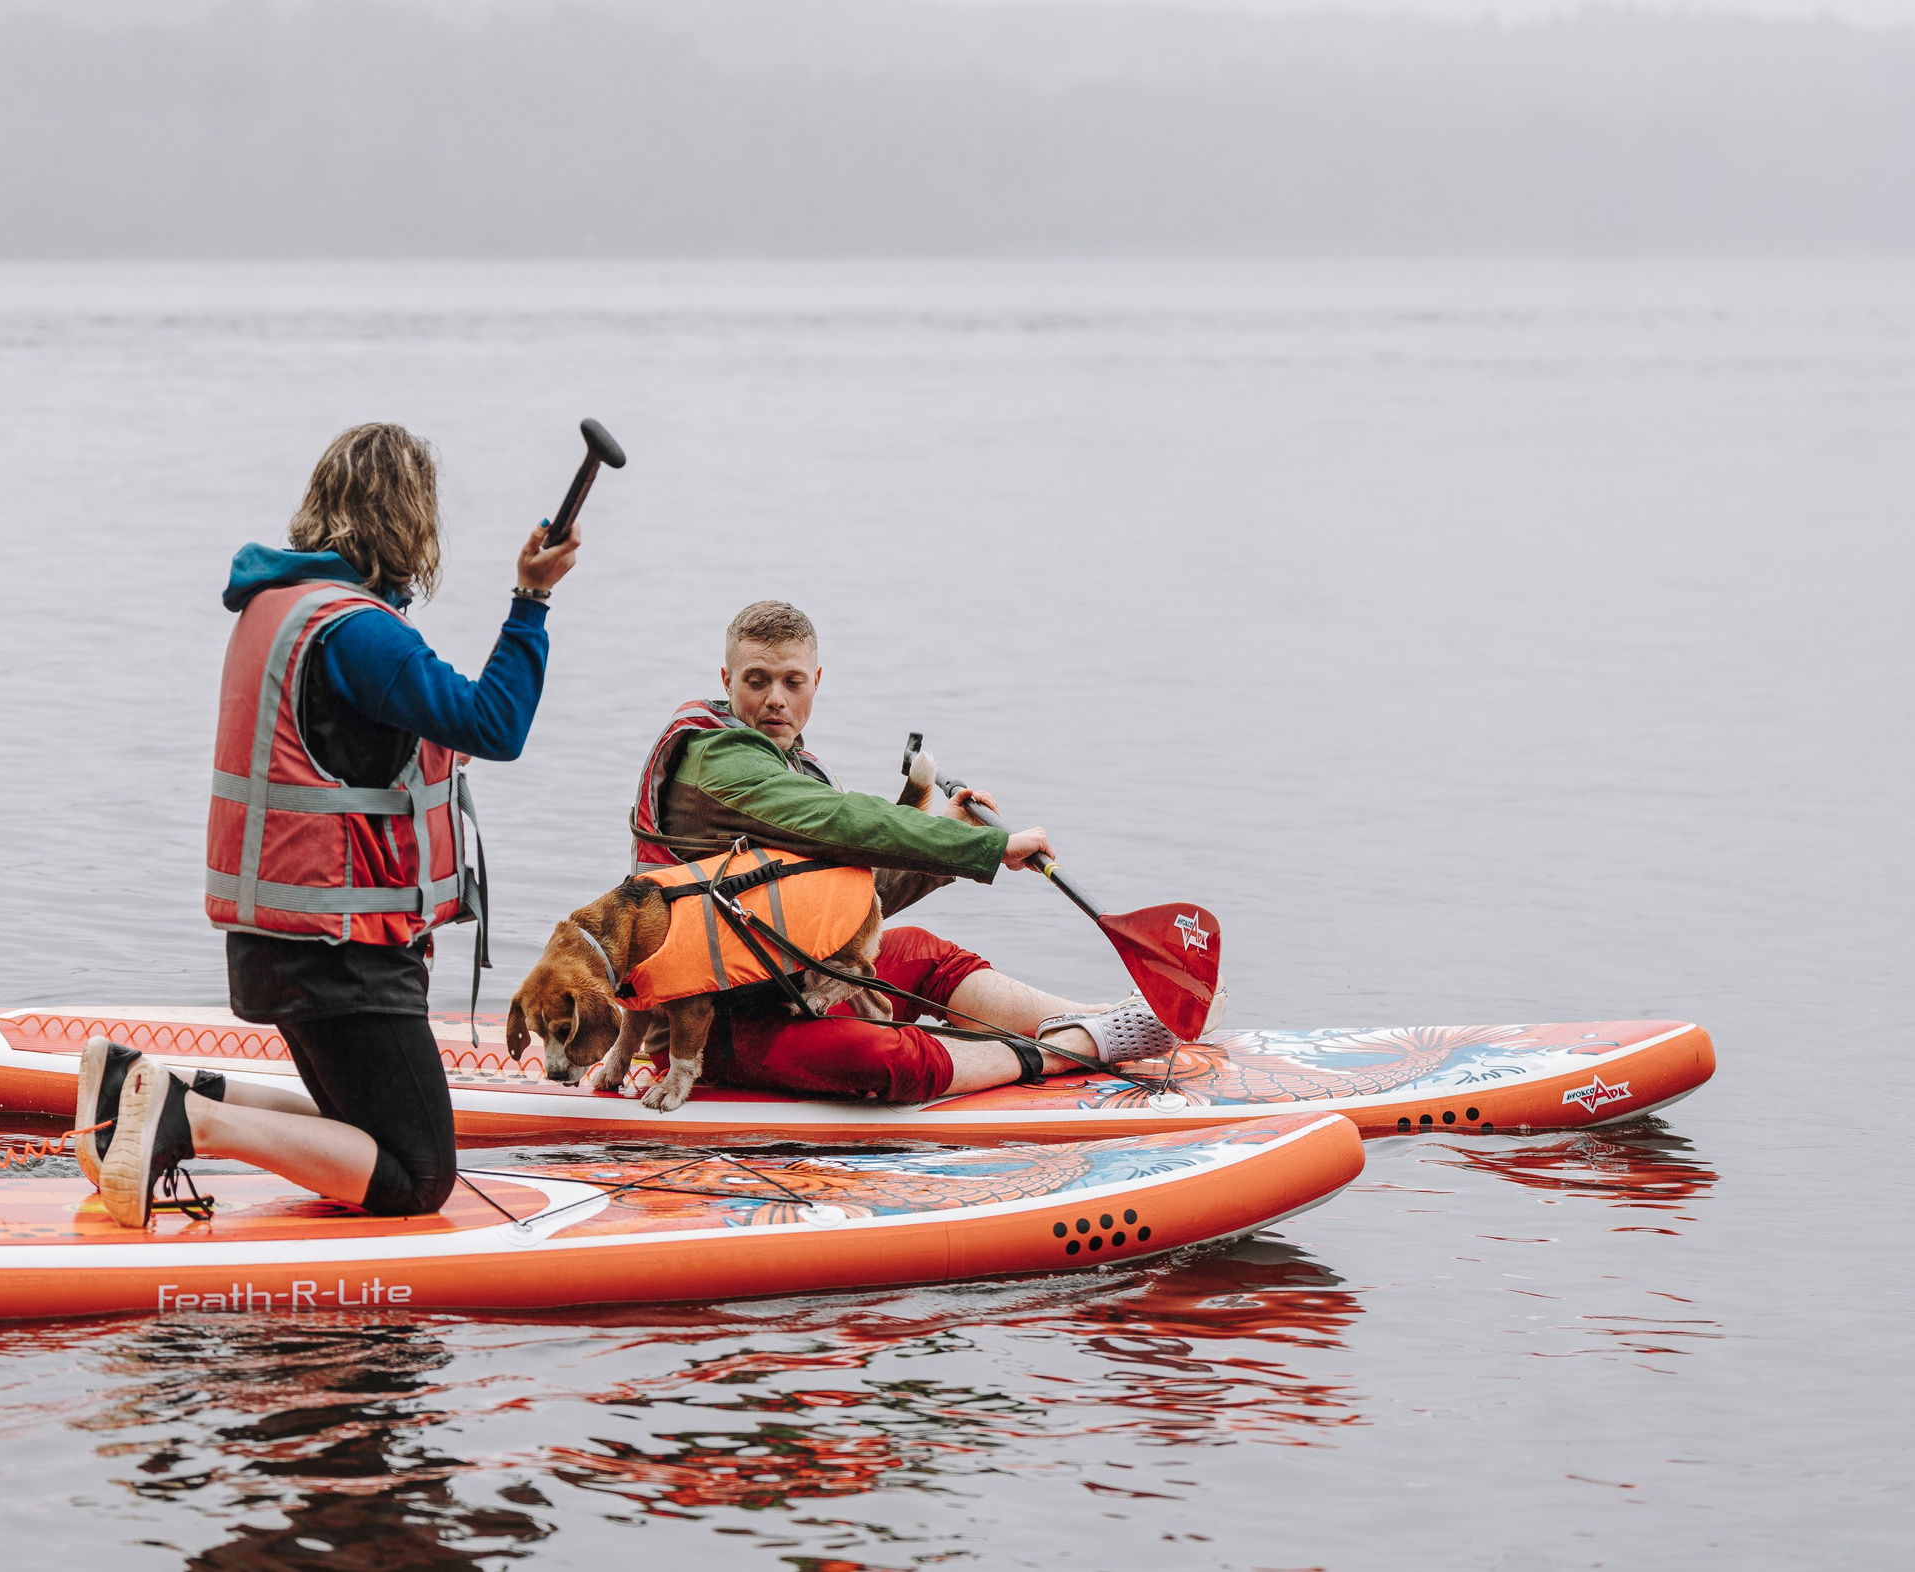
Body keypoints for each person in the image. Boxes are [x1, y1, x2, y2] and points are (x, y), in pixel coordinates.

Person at [84, 421, 580, 1226]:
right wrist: (532, 600)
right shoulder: (360, 635)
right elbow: (496, 725)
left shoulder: (275, 608)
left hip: (278, 946)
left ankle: (151, 1088)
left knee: (368, 1131)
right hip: (342, 955)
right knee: (420, 1177)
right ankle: (188, 1121)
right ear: (408, 522)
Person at [623, 599, 1175, 1104]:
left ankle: (1109, 1019)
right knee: (887, 1061)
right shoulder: (716, 759)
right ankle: (1074, 1048)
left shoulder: (800, 766)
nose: (775, 699)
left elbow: (860, 898)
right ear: (727, 679)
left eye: (792, 682)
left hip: (798, 985)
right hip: (712, 1028)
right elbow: (843, 819)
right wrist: (984, 843)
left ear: (815, 682)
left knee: (919, 952)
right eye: (757, 680)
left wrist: (942, 828)